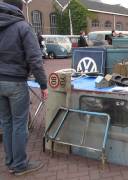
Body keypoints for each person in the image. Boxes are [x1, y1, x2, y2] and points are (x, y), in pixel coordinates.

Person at [0, 0, 48, 176]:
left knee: (6, 124)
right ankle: (19, 165)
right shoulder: (22, 27)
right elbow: (35, 59)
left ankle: (10, 161)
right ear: (20, 8)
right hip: (16, 82)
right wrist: (43, 84)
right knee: (20, 124)